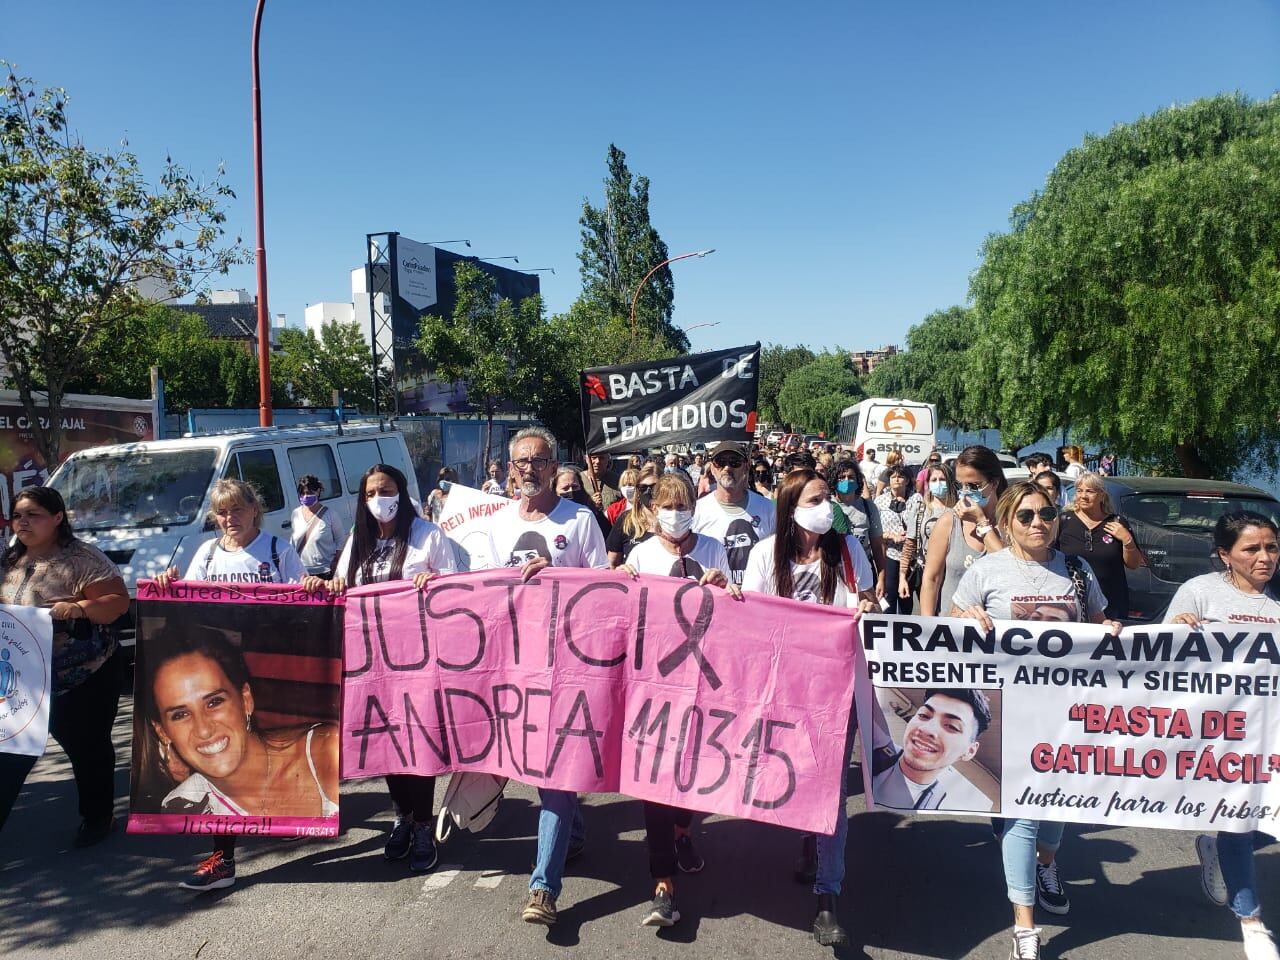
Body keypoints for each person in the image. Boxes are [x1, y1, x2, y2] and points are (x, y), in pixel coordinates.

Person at [950, 481, 1121, 960]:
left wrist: (1109, 629)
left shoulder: (1077, 571)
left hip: (1066, 717)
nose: (1037, 523)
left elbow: (1099, 624)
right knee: (1023, 815)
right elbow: (951, 620)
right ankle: (1025, 925)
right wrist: (967, 616)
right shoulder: (987, 571)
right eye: (1025, 516)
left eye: (1045, 513)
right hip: (1010, 715)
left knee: (1056, 811)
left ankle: (1048, 862)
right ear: (1007, 523)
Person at [153, 478, 309, 891]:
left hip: (271, 665)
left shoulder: (278, 550)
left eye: (237, 509)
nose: (229, 518)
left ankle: (289, 814)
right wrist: (170, 584)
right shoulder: (205, 553)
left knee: (275, 744)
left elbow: (306, 603)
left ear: (254, 509)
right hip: (224, 675)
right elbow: (186, 603)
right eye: (222, 512)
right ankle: (223, 857)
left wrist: (312, 586)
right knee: (222, 761)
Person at [741, 468, 875, 947]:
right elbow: (753, 618)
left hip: (838, 689)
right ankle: (809, 840)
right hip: (786, 688)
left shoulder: (849, 551)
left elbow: (868, 602)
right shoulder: (764, 554)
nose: (830, 504)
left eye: (831, 495)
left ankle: (827, 897)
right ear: (793, 507)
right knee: (797, 774)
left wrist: (866, 608)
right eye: (818, 497)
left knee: (832, 788)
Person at [488, 426, 609, 927]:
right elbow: (479, 591)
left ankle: (543, 887)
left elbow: (606, 589)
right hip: (517, 666)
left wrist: (560, 578)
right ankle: (573, 831)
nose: (529, 469)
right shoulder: (495, 524)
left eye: (539, 461)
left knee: (554, 772)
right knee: (541, 771)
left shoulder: (579, 521)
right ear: (509, 468)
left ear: (555, 466)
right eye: (521, 461)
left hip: (568, 668)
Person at [617, 471, 736, 928]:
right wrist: (621, 582)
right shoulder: (641, 555)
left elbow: (739, 610)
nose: (675, 513)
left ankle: (684, 830)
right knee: (655, 784)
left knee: (690, 772)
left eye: (682, 504)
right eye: (666, 505)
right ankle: (662, 884)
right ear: (651, 512)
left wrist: (724, 587)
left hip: (703, 685)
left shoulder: (712, 549)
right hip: (653, 686)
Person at [325, 463, 456, 874]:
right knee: (387, 743)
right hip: (371, 664)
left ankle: (422, 824)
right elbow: (340, 586)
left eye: (386, 489)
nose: (379, 498)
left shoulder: (427, 536)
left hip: (418, 661)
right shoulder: (357, 541)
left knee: (417, 741)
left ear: (401, 491)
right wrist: (326, 587)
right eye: (370, 493)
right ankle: (401, 818)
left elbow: (457, 587)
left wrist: (434, 583)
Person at [1168, 512, 1280, 960]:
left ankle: (1215, 847)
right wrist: (1176, 629)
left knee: (1263, 821)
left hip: (1273, 730)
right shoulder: (1200, 592)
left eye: (1271, 547)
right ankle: (1251, 922)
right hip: (1222, 735)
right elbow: (1155, 660)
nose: (1264, 557)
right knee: (1240, 817)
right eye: (1251, 549)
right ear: (1224, 555)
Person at [0, 487, 130, 846]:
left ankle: (98, 817)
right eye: (18, 515)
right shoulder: (9, 559)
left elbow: (118, 602)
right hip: (24, 679)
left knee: (87, 749)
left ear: (57, 518)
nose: (23, 522)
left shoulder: (82, 558)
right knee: (11, 752)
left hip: (86, 675)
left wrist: (81, 608)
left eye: (33, 514)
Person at [139, 624, 338, 819]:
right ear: (162, 732)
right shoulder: (181, 806)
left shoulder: (326, 751)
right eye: (180, 715)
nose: (204, 730)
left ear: (245, 700)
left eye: (214, 702)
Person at [918, 445, 1008, 617]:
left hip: (999, 633)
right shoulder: (948, 521)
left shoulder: (1011, 522)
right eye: (961, 485)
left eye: (974, 486)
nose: (966, 492)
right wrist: (928, 626)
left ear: (994, 483)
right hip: (954, 630)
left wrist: (982, 522)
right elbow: (931, 579)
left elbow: (1007, 570)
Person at [871, 688, 993, 812]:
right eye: (924, 715)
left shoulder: (940, 809)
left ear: (969, 751)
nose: (927, 729)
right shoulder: (871, 751)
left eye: (951, 726)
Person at [1057, 472, 1144, 620]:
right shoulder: (1064, 520)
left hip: (1111, 603)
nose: (1083, 496)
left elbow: (1134, 564)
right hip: (1072, 600)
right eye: (1079, 490)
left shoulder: (1116, 522)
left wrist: (1127, 540)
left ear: (1102, 495)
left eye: (1090, 491)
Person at [692, 440, 776, 586]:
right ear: (712, 468)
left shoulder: (768, 509)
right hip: (715, 601)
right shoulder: (697, 511)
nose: (727, 468)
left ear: (746, 467)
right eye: (720, 462)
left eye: (734, 462)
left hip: (757, 601)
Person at [899, 462, 955, 605]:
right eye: (934, 480)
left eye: (942, 480)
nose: (938, 483)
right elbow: (909, 544)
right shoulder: (920, 509)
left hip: (952, 575)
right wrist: (902, 577)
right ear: (928, 484)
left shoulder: (958, 510)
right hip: (926, 572)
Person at [874, 464, 924, 614]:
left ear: (907, 480)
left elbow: (921, 524)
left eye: (900, 476)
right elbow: (875, 533)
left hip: (911, 556)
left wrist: (910, 535)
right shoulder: (880, 501)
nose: (897, 479)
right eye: (893, 477)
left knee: (906, 599)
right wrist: (891, 536)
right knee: (889, 596)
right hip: (889, 554)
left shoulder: (917, 499)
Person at [831, 460, 886, 576]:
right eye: (841, 477)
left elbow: (877, 545)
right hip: (835, 568)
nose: (846, 480)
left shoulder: (868, 507)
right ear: (834, 481)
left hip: (862, 568)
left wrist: (881, 577)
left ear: (858, 480)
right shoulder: (827, 506)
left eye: (851, 477)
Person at [607, 464, 659, 566]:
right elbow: (612, 562)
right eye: (643, 487)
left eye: (654, 487)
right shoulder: (625, 520)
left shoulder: (672, 519)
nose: (648, 491)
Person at [290, 474, 342, 576]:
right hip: (304, 573)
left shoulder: (330, 514)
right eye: (302, 493)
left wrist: (336, 563)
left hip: (326, 572)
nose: (305, 496)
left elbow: (340, 541)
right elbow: (294, 542)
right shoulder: (295, 514)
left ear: (318, 491)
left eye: (309, 493)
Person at [556, 463, 609, 535]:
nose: (571, 490)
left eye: (575, 487)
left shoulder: (592, 514)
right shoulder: (551, 517)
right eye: (565, 488)